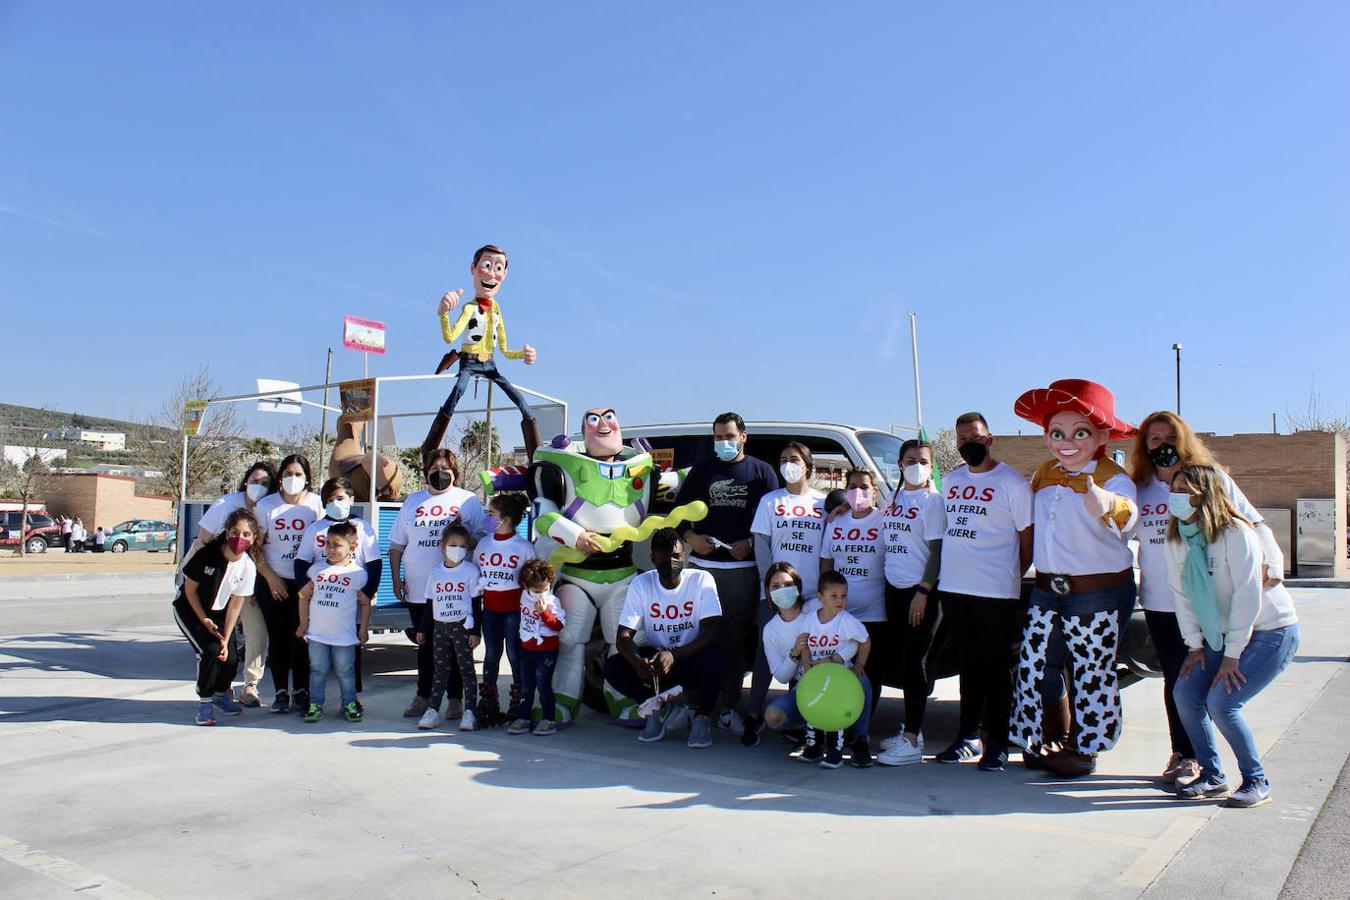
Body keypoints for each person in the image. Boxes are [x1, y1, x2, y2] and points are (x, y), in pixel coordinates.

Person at [1129, 410, 1284, 786]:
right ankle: (1184, 754)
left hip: (1211, 606)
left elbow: (1253, 522)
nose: (1162, 446)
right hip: (1164, 602)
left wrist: (1274, 562)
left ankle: (1216, 763)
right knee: (1176, 681)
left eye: (1170, 439)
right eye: (1154, 440)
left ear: (1183, 441)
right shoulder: (1140, 486)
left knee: (1211, 690)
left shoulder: (1209, 479)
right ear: (1144, 446)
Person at [1009, 379, 1138, 778]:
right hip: (1048, 589)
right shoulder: (1044, 473)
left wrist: (1108, 505)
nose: (1067, 442)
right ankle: (1047, 735)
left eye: (1079, 433)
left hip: (1096, 592)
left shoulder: (1113, 478)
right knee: (1036, 664)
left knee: (1091, 669)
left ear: (1101, 435)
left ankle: (1085, 748)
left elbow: (1129, 518)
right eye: (1057, 433)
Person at [1166, 464, 1299, 808]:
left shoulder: (1236, 533)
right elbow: (1182, 596)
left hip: (1270, 630)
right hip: (1220, 636)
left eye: (1185, 490)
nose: (1176, 496)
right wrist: (1195, 646)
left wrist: (1231, 655)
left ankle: (1256, 780)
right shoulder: (1179, 537)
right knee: (1185, 692)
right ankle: (1213, 776)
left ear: (1206, 495)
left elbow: (1247, 597)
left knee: (1223, 703)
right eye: (1175, 488)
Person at [933, 412, 1033, 771]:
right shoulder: (952, 480)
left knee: (995, 670)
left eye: (974, 438)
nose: (967, 445)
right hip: (955, 589)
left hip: (996, 592)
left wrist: (1011, 575)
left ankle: (998, 742)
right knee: (968, 668)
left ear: (989, 438)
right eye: (961, 440)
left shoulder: (1012, 483)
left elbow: (1027, 540)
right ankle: (967, 737)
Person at [674, 412, 778, 733]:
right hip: (702, 569)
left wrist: (750, 542)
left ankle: (728, 705)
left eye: (729, 436)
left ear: (743, 436)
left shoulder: (762, 473)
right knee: (695, 636)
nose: (724, 443)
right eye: (718, 437)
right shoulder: (702, 471)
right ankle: (693, 703)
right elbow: (678, 517)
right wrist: (691, 538)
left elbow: (774, 519)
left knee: (734, 640)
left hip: (742, 571)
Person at [604, 528, 728, 748]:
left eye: (676, 556)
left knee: (718, 659)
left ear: (684, 556)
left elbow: (713, 631)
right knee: (614, 667)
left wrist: (674, 654)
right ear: (653, 557)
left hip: (690, 656)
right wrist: (637, 663)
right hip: (658, 663)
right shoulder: (641, 584)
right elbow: (623, 635)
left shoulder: (701, 579)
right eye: (663, 557)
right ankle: (657, 706)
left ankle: (702, 716)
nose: (671, 562)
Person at [389, 448, 488, 718]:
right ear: (426, 471)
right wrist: (396, 578)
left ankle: (455, 699)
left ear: (454, 472)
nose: (440, 473)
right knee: (426, 645)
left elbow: (480, 541)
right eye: (434, 469)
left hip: (456, 591)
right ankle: (423, 696)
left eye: (445, 469)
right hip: (420, 588)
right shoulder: (413, 501)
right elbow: (397, 544)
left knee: (456, 647)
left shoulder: (467, 501)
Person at [422, 244, 542, 459]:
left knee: (519, 399)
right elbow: (450, 337)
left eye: (498, 268)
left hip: (491, 365)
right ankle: (429, 445)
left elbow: (504, 349)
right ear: (473, 268)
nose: (491, 273)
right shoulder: (469, 309)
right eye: (486, 265)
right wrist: (443, 314)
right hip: (469, 363)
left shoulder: (497, 310)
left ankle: (536, 452)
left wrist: (522, 355)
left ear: (504, 274)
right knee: (458, 390)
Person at [745, 442, 827, 746]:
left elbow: (827, 549)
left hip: (809, 596)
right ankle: (753, 714)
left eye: (794, 459)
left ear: (808, 465)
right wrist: (772, 587)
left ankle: (797, 717)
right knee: (766, 657)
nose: (788, 464)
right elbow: (761, 544)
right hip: (777, 595)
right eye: (783, 459)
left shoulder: (823, 503)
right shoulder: (770, 501)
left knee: (804, 655)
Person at [875, 439, 946, 767]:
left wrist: (924, 591)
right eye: (910, 459)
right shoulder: (892, 497)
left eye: (923, 460)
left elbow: (936, 551)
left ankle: (913, 739)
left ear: (931, 466)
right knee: (901, 662)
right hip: (893, 589)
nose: (917, 464)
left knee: (915, 662)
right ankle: (909, 728)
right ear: (900, 464)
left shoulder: (933, 502)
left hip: (921, 593)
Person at [189, 462, 277, 706]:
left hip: (246, 578)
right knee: (217, 637)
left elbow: (259, 552)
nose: (258, 486)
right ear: (245, 481)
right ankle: (219, 688)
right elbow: (203, 542)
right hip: (215, 577)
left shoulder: (267, 509)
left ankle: (250, 685)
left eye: (265, 483)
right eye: (254, 480)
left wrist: (254, 582)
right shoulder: (226, 505)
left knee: (256, 630)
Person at [295, 476, 383, 708]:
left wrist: (368, 591)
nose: (336, 502)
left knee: (350, 658)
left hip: (352, 599)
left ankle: (352, 700)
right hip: (322, 602)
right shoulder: (315, 529)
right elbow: (302, 561)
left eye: (340, 498)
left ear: (352, 499)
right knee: (318, 660)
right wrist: (303, 586)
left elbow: (374, 563)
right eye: (330, 499)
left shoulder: (363, 528)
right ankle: (313, 700)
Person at [819, 467, 886, 766]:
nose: (859, 492)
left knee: (866, 676)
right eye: (853, 486)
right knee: (836, 671)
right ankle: (835, 731)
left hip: (873, 612)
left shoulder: (885, 519)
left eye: (865, 486)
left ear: (875, 490)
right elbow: (826, 562)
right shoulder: (836, 521)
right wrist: (826, 605)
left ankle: (860, 735)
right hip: (840, 613)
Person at [171, 509, 259, 726]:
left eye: (246, 534)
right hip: (191, 610)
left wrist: (226, 639)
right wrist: (203, 620)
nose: (240, 538)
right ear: (227, 532)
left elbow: (236, 605)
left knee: (228, 658)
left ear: (254, 538)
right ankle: (205, 702)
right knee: (209, 650)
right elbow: (190, 591)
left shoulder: (248, 566)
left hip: (219, 616)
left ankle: (221, 695)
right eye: (235, 532)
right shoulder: (207, 554)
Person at [254, 454, 324, 714]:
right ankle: (281, 692)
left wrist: (312, 581)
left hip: (305, 583)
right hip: (273, 581)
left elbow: (323, 545)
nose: (292, 479)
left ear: (307, 478)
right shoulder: (266, 506)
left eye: (298, 474)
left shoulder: (316, 505)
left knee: (302, 638)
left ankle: (301, 691)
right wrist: (271, 578)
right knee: (279, 638)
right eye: (287, 473)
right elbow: (255, 547)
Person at [296, 520, 371, 724]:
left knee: (345, 671)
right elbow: (303, 596)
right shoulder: (316, 571)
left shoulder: (358, 574)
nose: (330, 549)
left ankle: (349, 702)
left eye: (336, 545)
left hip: (345, 636)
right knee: (318, 670)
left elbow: (365, 604)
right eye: (328, 544)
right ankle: (315, 704)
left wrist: (363, 628)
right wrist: (303, 623)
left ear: (352, 547)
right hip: (317, 634)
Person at [798, 570, 873, 769]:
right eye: (834, 596)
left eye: (843, 596)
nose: (840, 600)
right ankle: (813, 747)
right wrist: (807, 669)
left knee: (834, 712)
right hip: (815, 675)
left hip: (839, 677)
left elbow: (865, 642)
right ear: (820, 598)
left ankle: (834, 751)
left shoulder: (847, 621)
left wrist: (859, 665)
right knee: (813, 710)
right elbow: (804, 645)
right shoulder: (809, 619)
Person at [475, 492, 537, 726]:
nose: (488, 518)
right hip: (490, 609)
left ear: (506, 519)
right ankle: (489, 701)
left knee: (514, 655)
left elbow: (531, 580)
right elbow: (476, 574)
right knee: (491, 655)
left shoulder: (522, 547)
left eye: (492, 514)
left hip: (514, 611)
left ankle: (519, 701)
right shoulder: (484, 543)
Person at [416, 524, 481, 731]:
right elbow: (429, 603)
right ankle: (433, 710)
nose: (458, 549)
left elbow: (476, 604)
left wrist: (475, 631)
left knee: (466, 670)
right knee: (440, 670)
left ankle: (470, 711)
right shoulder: (435, 572)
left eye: (463, 546)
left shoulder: (470, 571)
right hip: (440, 627)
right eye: (453, 545)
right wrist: (423, 629)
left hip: (462, 627)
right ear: (443, 546)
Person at [759, 562, 815, 750]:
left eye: (788, 585)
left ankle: (858, 738)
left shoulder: (816, 608)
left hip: (831, 675)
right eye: (775, 586)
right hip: (804, 687)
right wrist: (794, 654)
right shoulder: (771, 630)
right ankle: (807, 729)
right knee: (773, 716)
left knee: (862, 683)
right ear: (768, 592)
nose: (782, 590)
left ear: (798, 587)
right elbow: (782, 677)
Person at [509, 558, 566, 736]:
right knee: (526, 685)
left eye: (545, 589)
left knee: (543, 685)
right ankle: (524, 717)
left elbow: (558, 625)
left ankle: (549, 719)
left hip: (546, 650)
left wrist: (544, 613)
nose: (541, 594)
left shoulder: (551, 601)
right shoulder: (523, 595)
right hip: (527, 648)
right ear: (526, 586)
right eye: (536, 591)